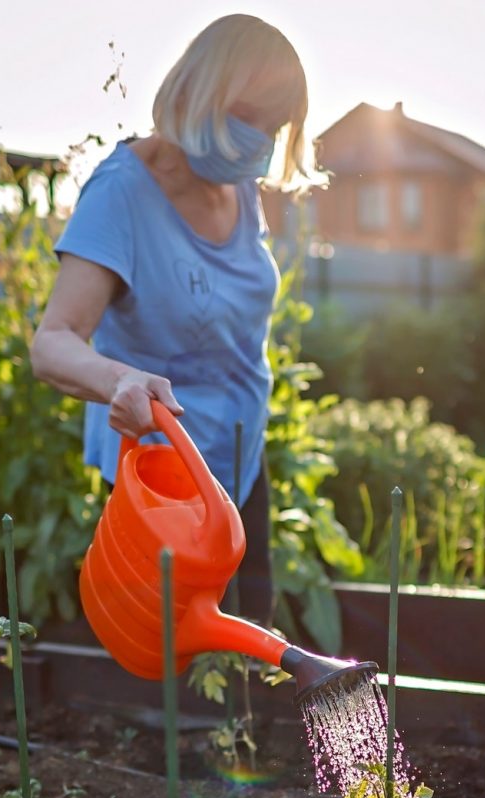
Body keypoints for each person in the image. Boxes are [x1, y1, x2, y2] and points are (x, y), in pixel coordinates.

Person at [30, 13, 316, 627]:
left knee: (244, 652)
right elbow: (52, 344)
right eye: (249, 114)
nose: (259, 139)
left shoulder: (237, 185)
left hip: (241, 457)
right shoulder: (121, 194)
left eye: (275, 125)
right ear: (199, 91)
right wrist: (119, 381)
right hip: (162, 471)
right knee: (169, 658)